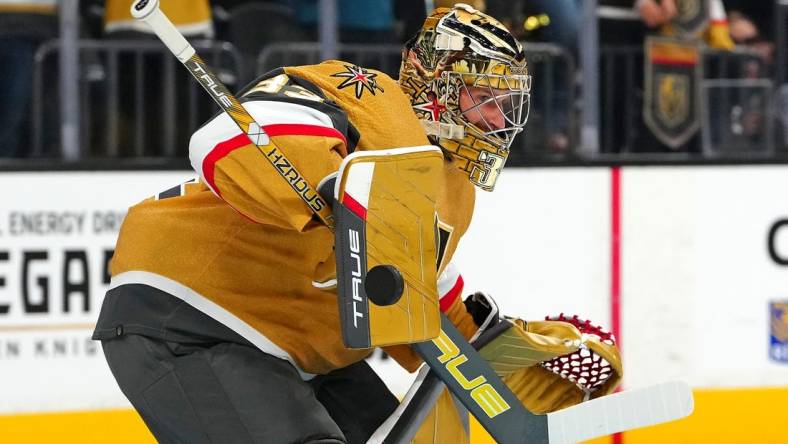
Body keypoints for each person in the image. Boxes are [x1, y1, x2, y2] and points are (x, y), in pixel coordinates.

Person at [93, 4, 621, 443]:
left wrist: (525, 360)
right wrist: (330, 185)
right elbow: (224, 140)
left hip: (300, 348)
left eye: (508, 103)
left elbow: (418, 312)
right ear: (435, 82)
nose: (499, 119)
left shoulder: (453, 188)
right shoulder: (363, 94)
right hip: (190, 316)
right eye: (485, 98)